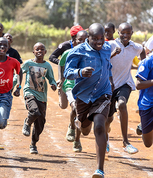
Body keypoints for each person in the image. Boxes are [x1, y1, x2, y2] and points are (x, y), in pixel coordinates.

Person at [64, 23, 113, 178]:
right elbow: (67, 72)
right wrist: (80, 72)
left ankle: (100, 170)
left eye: (101, 38)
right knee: (85, 130)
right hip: (84, 97)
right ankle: (80, 123)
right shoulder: (77, 51)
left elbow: (108, 67)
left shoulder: (107, 49)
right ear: (88, 37)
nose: (99, 42)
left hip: (102, 94)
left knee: (99, 125)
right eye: (95, 39)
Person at [106, 22, 146, 154]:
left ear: (132, 34)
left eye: (128, 33)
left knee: (122, 105)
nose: (125, 35)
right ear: (118, 32)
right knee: (108, 117)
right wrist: (112, 53)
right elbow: (103, 59)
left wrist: (143, 69)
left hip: (125, 83)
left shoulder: (135, 47)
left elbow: (143, 52)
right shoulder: (110, 45)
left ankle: (126, 142)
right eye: (123, 32)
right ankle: (105, 139)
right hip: (109, 85)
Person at [22, 42, 57, 154]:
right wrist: (15, 86)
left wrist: (53, 84)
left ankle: (33, 144)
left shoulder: (47, 66)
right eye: (37, 49)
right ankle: (27, 123)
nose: (39, 51)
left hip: (42, 96)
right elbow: (18, 73)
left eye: (42, 49)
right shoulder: (28, 64)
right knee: (34, 111)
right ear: (33, 52)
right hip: (30, 92)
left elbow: (51, 78)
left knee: (40, 122)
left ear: (45, 52)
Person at [58, 30, 88, 152]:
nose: (82, 42)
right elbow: (61, 64)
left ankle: (77, 139)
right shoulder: (68, 52)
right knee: (74, 107)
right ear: (74, 41)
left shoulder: (91, 54)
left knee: (81, 114)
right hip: (70, 84)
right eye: (79, 40)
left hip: (84, 86)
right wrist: (61, 78)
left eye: (85, 40)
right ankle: (71, 126)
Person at [49, 25, 83, 110]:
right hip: (65, 76)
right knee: (63, 105)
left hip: (78, 76)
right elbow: (52, 57)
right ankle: (61, 89)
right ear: (74, 37)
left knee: (76, 103)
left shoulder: (85, 47)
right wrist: (65, 64)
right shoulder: (65, 46)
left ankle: (74, 120)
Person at [135, 55, 153, 148]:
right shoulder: (148, 62)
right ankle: (142, 126)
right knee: (148, 143)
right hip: (148, 104)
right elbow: (138, 85)